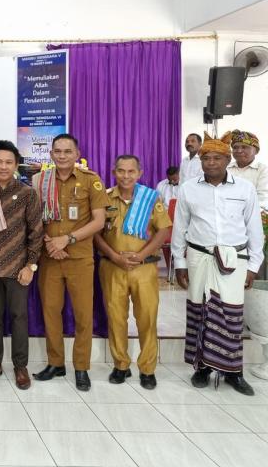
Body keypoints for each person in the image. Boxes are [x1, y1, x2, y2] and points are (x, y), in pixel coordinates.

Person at [172, 133, 264, 396]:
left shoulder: (244, 189)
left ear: (227, 159)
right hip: (199, 257)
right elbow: (180, 228)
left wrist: (254, 265)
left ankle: (233, 372)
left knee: (231, 315)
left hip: (235, 260)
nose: (211, 162)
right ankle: (202, 368)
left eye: (217, 158)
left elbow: (254, 230)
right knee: (200, 312)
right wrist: (179, 263)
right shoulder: (189, 188)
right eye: (206, 158)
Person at [31, 134, 109, 391]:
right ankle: (56, 363)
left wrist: (67, 239)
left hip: (80, 258)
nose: (62, 156)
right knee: (51, 312)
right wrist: (52, 244)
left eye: (67, 151)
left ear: (77, 154)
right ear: (51, 155)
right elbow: (32, 221)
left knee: (83, 315)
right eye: (57, 151)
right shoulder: (39, 181)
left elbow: (98, 221)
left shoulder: (91, 181)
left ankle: (81, 367)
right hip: (49, 257)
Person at [94, 155, 171, 390]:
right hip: (112, 266)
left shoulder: (150, 198)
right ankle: (121, 365)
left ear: (140, 172)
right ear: (113, 172)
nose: (126, 176)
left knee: (147, 318)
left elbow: (163, 229)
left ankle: (147, 369)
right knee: (116, 318)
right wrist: (115, 256)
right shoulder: (104, 198)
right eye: (121, 171)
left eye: (131, 171)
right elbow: (96, 232)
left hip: (144, 267)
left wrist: (141, 254)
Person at [0, 140, 43, 391]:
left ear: (16, 164)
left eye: (8, 162)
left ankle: (20, 366)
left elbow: (36, 232)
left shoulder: (27, 193)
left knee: (19, 317)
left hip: (18, 268)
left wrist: (31, 266)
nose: (3, 166)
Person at [227, 130, 268, 211]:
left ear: (256, 150)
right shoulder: (225, 168)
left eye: (244, 147)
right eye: (235, 147)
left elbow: (263, 199)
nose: (239, 151)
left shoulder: (263, 170)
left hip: (254, 216)